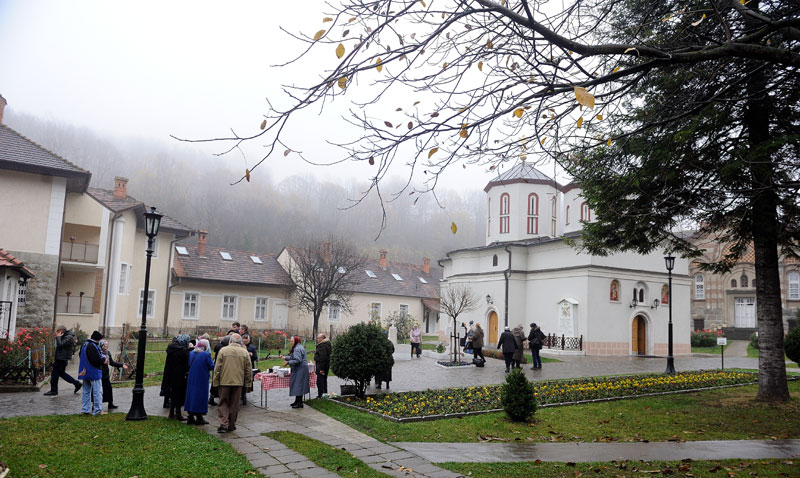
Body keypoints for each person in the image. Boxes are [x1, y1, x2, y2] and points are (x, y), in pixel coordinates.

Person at [212, 333, 252, 433]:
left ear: (230, 341)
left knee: (223, 402)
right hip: (238, 382)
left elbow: (217, 368)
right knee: (234, 404)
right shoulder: (244, 352)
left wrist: (215, 381)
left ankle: (223, 424)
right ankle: (231, 425)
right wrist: (248, 384)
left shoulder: (223, 350)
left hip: (224, 381)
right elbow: (248, 370)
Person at [44, 325, 82, 396]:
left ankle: (54, 390)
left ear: (61, 331)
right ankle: (77, 383)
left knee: (54, 375)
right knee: (61, 374)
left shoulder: (69, 337)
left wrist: (58, 337)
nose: (56, 333)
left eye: (57, 331)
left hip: (62, 359)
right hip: (60, 358)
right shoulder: (65, 336)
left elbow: (60, 345)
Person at [185, 338, 215, 425]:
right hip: (202, 378)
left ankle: (190, 416)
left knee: (191, 395)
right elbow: (211, 366)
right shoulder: (206, 354)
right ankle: (199, 416)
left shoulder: (191, 353)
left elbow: (189, 363)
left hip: (192, 376)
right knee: (200, 396)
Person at [164, 334, 191, 420]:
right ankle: (178, 413)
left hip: (170, 375)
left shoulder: (171, 349)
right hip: (180, 376)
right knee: (178, 394)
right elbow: (187, 362)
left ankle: (171, 413)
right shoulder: (183, 351)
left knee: (173, 394)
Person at [78, 331, 105, 416]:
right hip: (93, 372)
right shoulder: (92, 346)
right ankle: (97, 410)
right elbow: (96, 360)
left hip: (84, 371)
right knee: (97, 392)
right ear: (98, 339)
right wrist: (103, 360)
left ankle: (85, 409)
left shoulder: (84, 344)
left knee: (86, 391)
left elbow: (80, 355)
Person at [281, 336, 309, 408]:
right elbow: (294, 357)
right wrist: (285, 357)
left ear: (296, 341)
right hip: (301, 368)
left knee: (298, 385)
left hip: (300, 369)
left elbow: (298, 360)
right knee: (299, 385)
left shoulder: (297, 349)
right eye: (290, 341)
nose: (291, 343)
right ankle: (297, 401)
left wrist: (288, 362)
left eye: (292, 341)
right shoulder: (298, 346)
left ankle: (299, 403)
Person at [99, 339, 127, 411]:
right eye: (105, 345)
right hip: (99, 374)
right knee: (97, 390)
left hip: (105, 374)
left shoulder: (108, 353)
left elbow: (112, 362)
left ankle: (110, 404)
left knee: (109, 389)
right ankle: (95, 404)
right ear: (101, 345)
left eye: (107, 345)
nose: (107, 346)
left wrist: (121, 365)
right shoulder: (98, 353)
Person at [208, 334, 231, 407]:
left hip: (217, 365)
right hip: (221, 366)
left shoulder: (218, 346)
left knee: (215, 383)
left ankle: (212, 398)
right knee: (218, 383)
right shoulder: (223, 348)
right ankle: (217, 399)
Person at [241, 333, 258, 406]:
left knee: (246, 381)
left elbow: (255, 357)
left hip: (249, 366)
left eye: (246, 340)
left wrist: (251, 355)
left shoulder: (252, 347)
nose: (244, 342)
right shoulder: (240, 346)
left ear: (249, 340)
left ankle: (244, 396)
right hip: (241, 366)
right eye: (243, 340)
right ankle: (241, 395)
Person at [314, 333, 331, 398]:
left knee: (320, 380)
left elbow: (323, 357)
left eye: (318, 338)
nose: (317, 339)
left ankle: (321, 395)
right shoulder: (326, 344)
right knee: (323, 380)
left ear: (322, 339)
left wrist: (321, 369)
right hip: (324, 365)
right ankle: (324, 394)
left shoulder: (323, 345)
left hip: (322, 365)